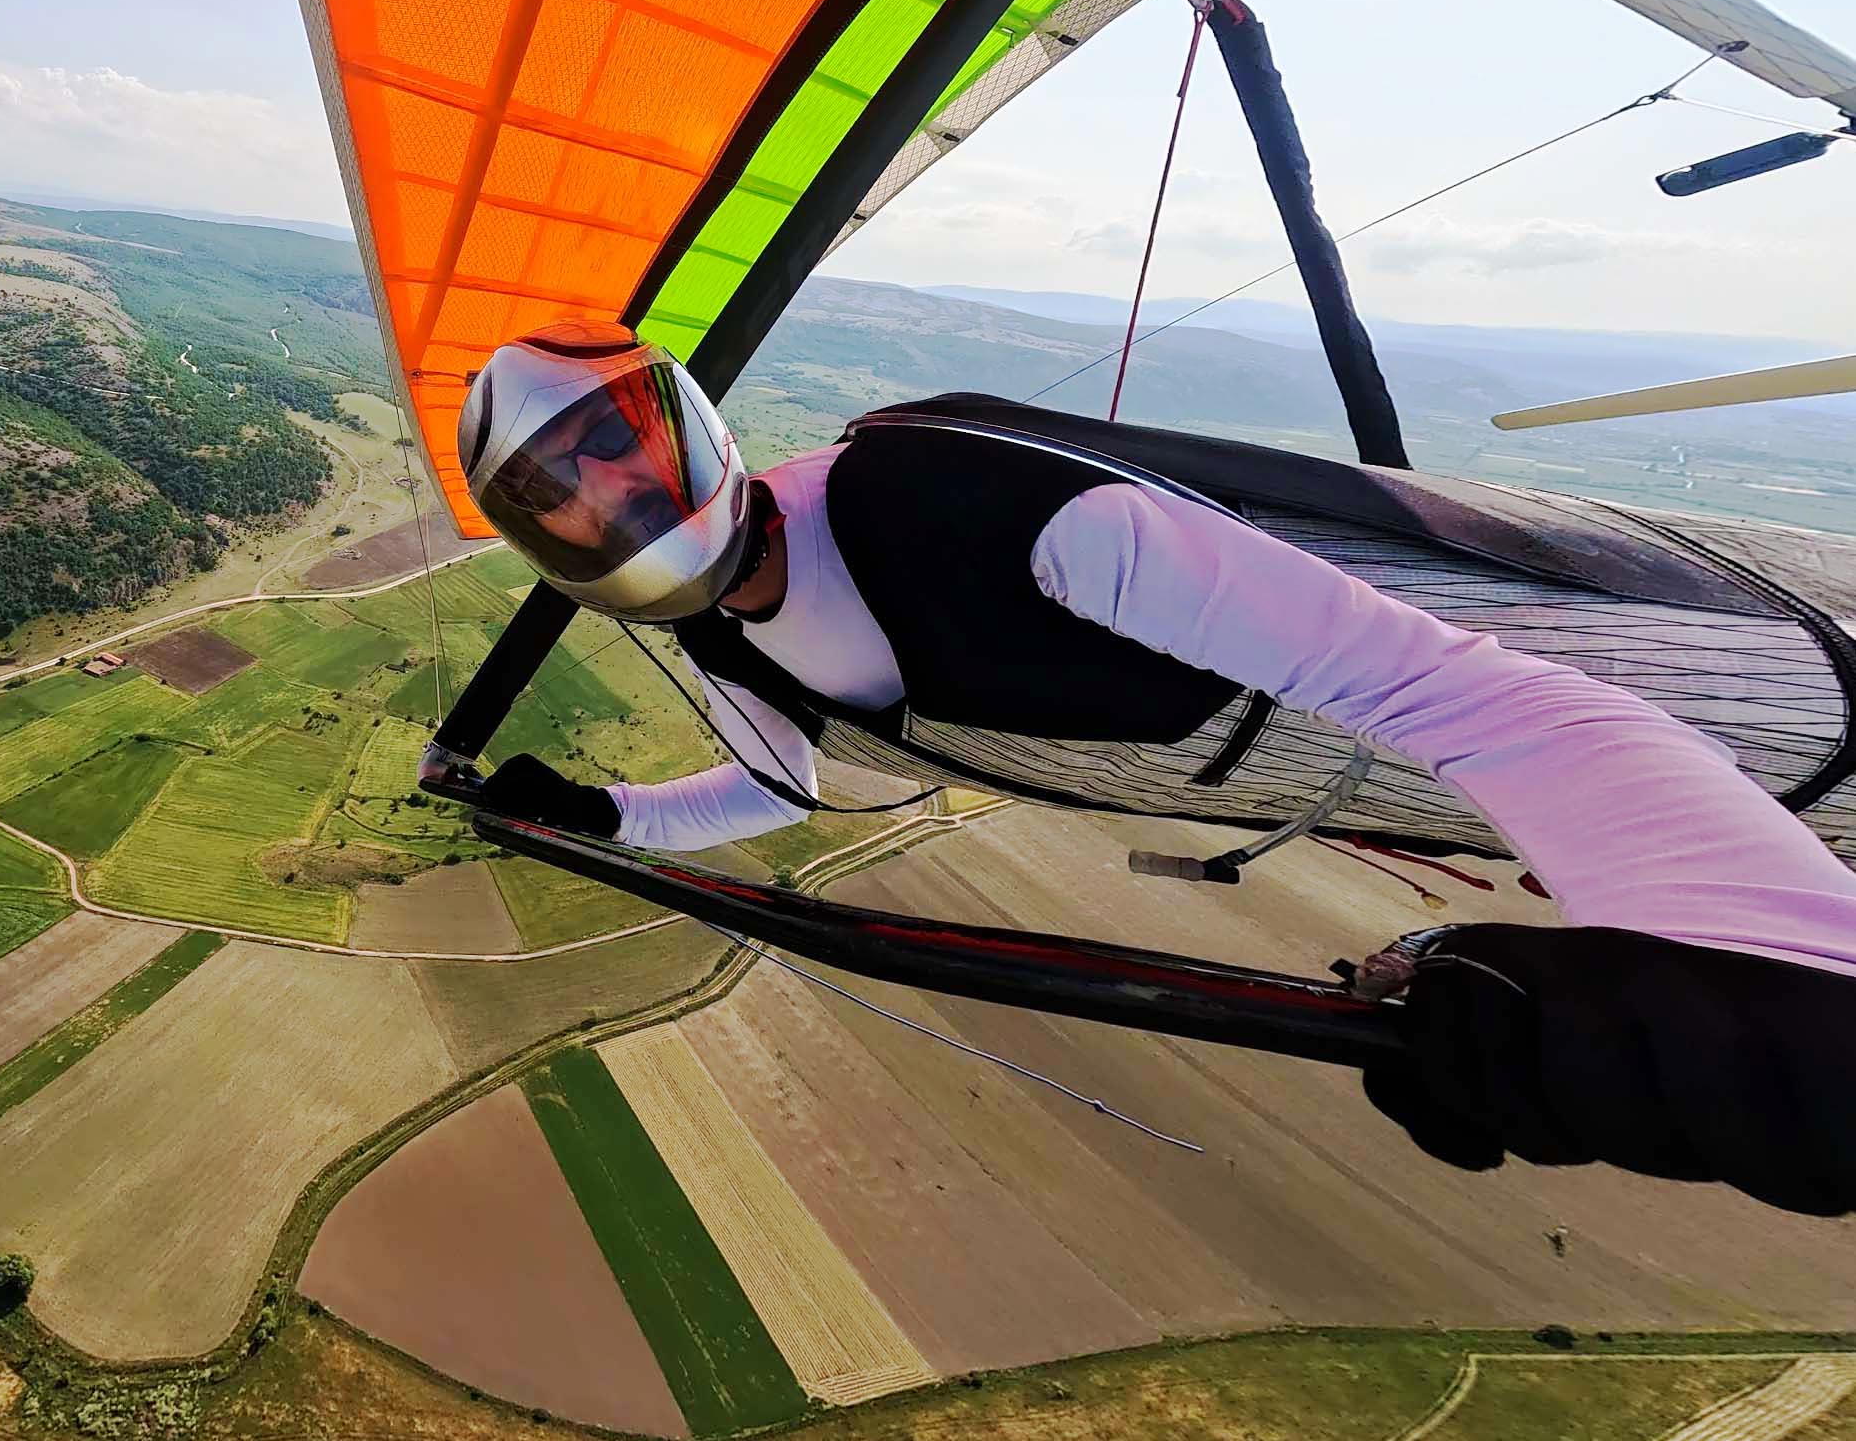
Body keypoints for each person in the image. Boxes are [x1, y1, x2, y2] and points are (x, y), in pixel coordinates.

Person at [459, 320, 1856, 1216]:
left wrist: (1763, 1004)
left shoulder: (945, 505)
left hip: (1594, 687)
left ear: (685, 423)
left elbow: (1456, 692)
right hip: (1375, 782)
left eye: (614, 452)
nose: (605, 501)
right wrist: (603, 814)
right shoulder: (725, 638)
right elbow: (773, 790)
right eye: (562, 500)